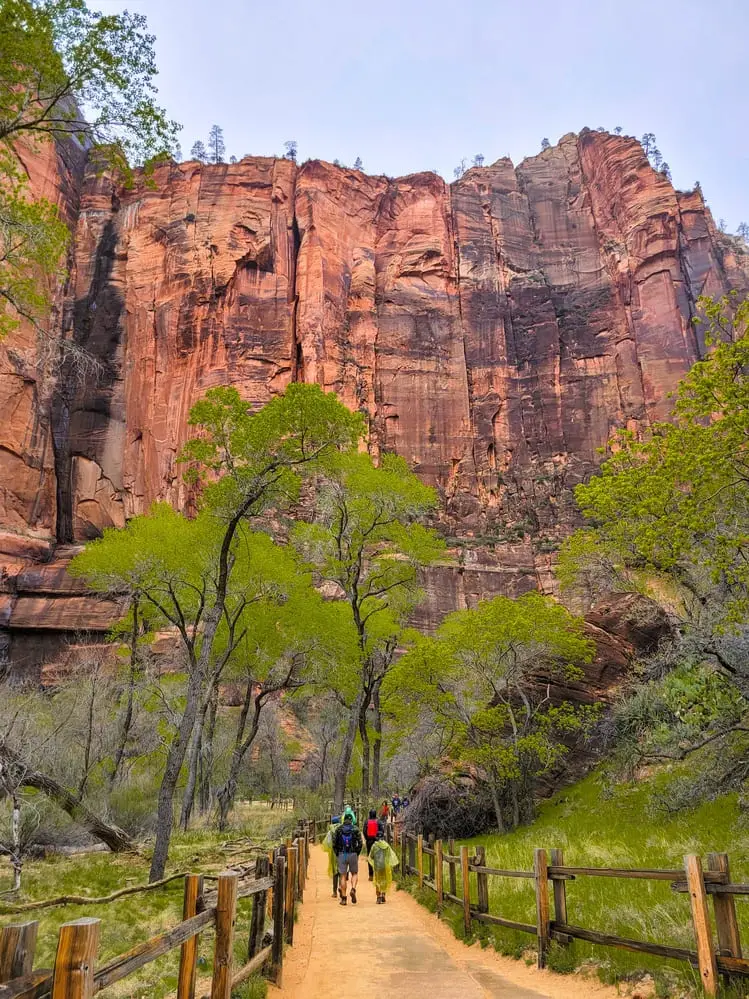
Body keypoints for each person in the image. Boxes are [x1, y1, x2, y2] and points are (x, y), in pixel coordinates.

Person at [333, 812, 363, 905]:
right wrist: (357, 852)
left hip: (342, 854)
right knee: (354, 873)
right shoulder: (355, 829)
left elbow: (334, 843)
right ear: (351, 820)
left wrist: (337, 853)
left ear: (343, 819)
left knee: (342, 876)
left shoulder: (338, 829)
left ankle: (344, 898)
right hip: (353, 853)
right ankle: (353, 889)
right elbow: (360, 843)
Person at [368, 828, 400, 903]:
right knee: (384, 881)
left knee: (377, 881)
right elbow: (389, 856)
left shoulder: (374, 846)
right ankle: (383, 895)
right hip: (385, 866)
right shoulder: (387, 846)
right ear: (383, 837)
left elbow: (371, 856)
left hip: (377, 867)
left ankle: (378, 897)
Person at [323, 815, 342, 898]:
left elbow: (327, 843)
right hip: (342, 852)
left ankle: (334, 892)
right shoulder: (342, 829)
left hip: (334, 853)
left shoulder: (330, 831)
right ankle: (341, 887)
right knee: (342, 871)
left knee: (335, 872)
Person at [364, 809, 380, 880]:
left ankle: (371, 875)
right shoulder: (378, 821)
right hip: (377, 841)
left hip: (369, 841)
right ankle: (377, 874)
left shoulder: (367, 821)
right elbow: (381, 831)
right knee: (377, 857)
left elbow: (364, 831)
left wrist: (367, 838)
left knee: (370, 857)